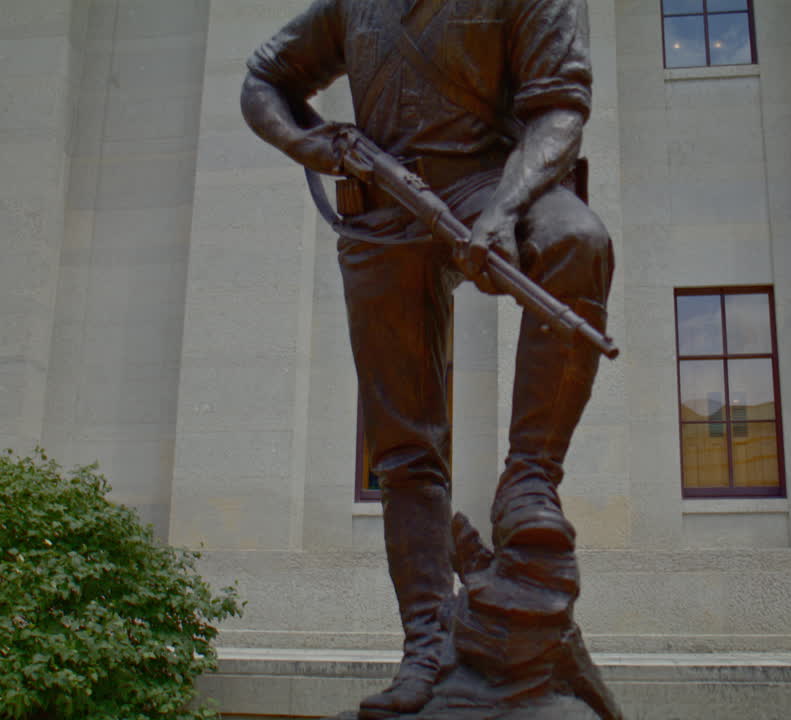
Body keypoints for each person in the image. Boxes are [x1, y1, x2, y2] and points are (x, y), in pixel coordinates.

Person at [240, 1, 612, 717]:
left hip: (492, 182)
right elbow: (264, 77)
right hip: (380, 205)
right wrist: (315, 145)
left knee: (578, 242)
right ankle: (427, 644)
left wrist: (504, 209)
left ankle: (529, 482)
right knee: (405, 448)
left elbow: (560, 111)